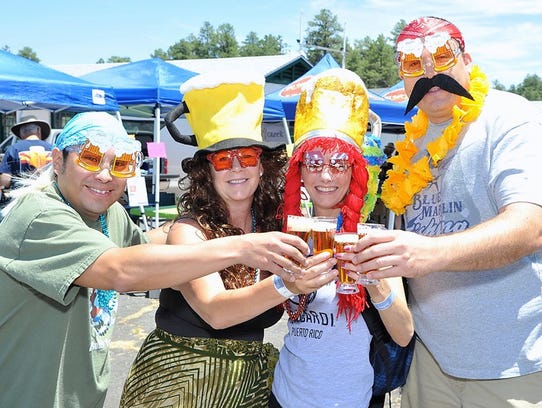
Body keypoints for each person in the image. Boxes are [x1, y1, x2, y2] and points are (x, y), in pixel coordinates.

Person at [0, 111, 312, 408]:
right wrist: (244, 248)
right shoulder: (38, 215)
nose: (106, 175)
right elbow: (121, 271)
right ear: (58, 160)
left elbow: (155, 259)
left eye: (121, 164)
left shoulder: (110, 215)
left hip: (80, 396)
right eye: (90, 159)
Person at [349, 16, 542, 407]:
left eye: (441, 57)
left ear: (467, 59)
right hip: (428, 361)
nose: (430, 74)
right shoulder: (412, 141)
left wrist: (426, 254)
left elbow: (530, 226)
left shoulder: (510, 118)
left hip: (507, 367)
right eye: (413, 65)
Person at [120, 72, 337, 408]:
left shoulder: (273, 225)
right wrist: (289, 285)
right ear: (207, 171)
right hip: (180, 383)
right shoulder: (189, 232)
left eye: (247, 157)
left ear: (262, 167)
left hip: (247, 387)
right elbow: (215, 313)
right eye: (223, 159)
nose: (237, 168)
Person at [270, 68, 414, 408]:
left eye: (338, 163)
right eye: (314, 162)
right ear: (300, 171)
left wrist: (374, 284)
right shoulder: (288, 235)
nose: (325, 175)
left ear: (355, 172)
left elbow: (404, 334)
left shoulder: (373, 240)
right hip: (285, 396)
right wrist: (286, 284)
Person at [0, 116, 53, 200]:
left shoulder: (13, 149)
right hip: (48, 196)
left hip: (21, 199)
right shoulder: (52, 149)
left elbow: (5, 180)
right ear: (39, 130)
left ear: (21, 133)